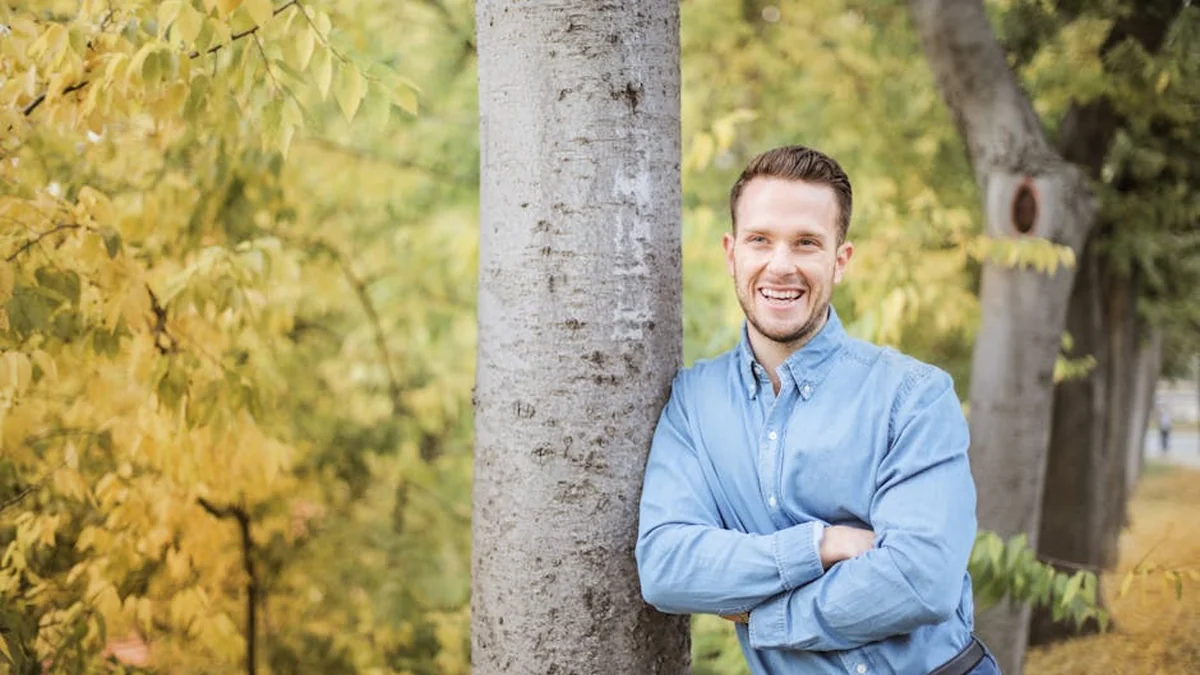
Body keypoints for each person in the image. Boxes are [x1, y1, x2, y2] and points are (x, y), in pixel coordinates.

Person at [635, 146, 998, 675]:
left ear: (839, 261)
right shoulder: (694, 403)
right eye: (760, 240)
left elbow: (921, 581)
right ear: (731, 253)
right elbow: (666, 567)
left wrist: (763, 618)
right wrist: (821, 545)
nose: (781, 265)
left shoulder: (913, 396)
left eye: (806, 243)